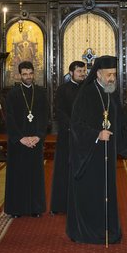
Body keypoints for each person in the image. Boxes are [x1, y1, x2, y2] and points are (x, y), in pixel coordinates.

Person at [66, 55, 127, 245]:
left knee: (107, 191)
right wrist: (97, 134)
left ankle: (107, 229)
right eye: (109, 75)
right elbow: (76, 126)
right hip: (89, 156)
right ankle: (88, 231)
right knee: (91, 193)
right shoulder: (86, 94)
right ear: (98, 73)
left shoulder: (111, 92)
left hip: (108, 154)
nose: (112, 78)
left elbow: (120, 122)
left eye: (114, 74)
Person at [4, 61, 49, 218]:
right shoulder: (12, 94)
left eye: (30, 73)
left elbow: (45, 117)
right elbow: (9, 119)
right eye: (25, 74)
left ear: (33, 73)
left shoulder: (41, 93)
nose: (28, 77)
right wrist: (21, 138)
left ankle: (35, 208)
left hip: (35, 141)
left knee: (34, 175)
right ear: (19, 75)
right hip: (18, 143)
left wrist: (38, 136)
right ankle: (16, 209)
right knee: (18, 175)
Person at [50, 61, 86, 214]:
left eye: (84, 71)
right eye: (79, 71)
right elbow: (59, 111)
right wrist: (72, 126)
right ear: (71, 73)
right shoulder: (62, 89)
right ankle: (61, 205)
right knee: (64, 168)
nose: (83, 74)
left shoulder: (89, 89)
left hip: (85, 136)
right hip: (68, 134)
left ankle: (83, 204)